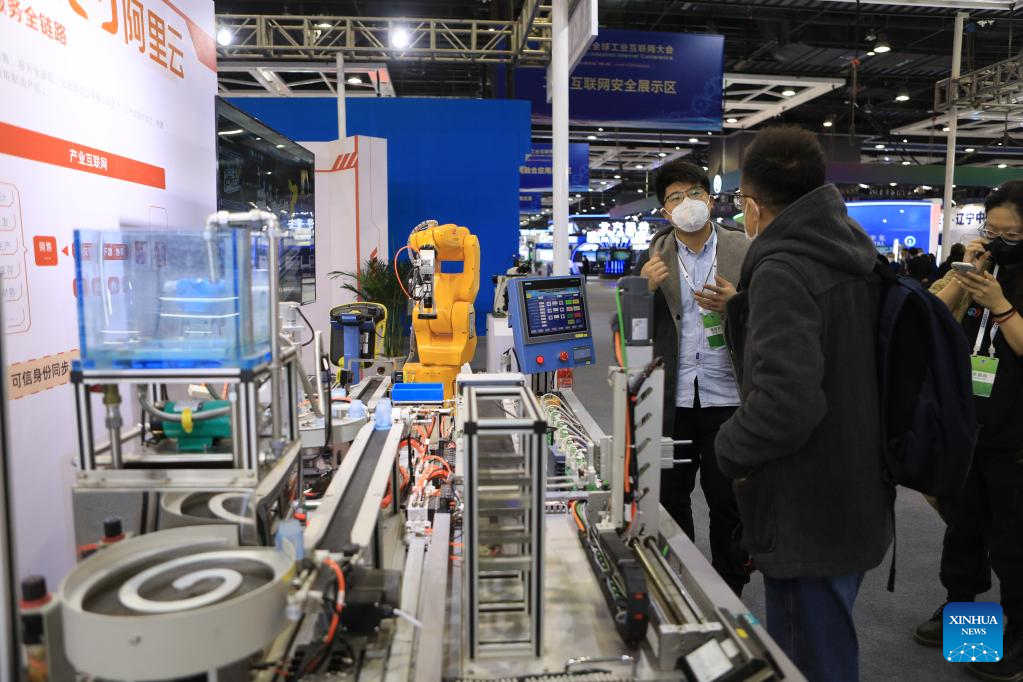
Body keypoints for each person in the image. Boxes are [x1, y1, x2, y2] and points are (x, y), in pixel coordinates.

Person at [715, 126, 894, 682]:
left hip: (805, 507)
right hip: (856, 487)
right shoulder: (850, 252)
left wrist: (728, 448)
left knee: (808, 661)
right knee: (829, 647)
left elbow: (786, 403)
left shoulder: (783, 269)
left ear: (752, 204)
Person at [914, 180, 1023, 682]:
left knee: (1012, 540)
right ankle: (968, 624)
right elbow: (929, 319)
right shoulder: (978, 265)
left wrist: (1000, 302)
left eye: (1012, 234)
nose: (1000, 241)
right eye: (992, 230)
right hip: (967, 425)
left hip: (1014, 434)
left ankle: (1017, 637)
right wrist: (966, 274)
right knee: (964, 530)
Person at [634, 161, 751, 595]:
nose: (687, 203)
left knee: (729, 503)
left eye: (695, 192)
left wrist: (737, 304)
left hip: (729, 400)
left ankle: (730, 589)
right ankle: (676, 582)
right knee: (669, 500)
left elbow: (771, 318)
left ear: (711, 199)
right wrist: (640, 292)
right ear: (665, 211)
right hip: (672, 402)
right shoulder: (651, 258)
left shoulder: (745, 251)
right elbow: (624, 331)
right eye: (675, 197)